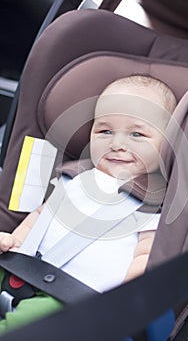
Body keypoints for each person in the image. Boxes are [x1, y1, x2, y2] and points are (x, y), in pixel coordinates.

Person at [0, 75, 177, 333]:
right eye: (105, 131)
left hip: (76, 297)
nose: (117, 144)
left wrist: (125, 300)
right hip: (20, 271)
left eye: (137, 134)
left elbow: (144, 257)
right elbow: (41, 216)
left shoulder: (151, 203)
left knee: (30, 325)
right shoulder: (72, 179)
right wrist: (15, 242)